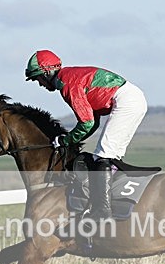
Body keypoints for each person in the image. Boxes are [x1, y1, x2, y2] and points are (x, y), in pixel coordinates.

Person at [25, 49, 147, 220]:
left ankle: (102, 211)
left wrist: (65, 140)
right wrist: (69, 140)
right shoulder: (69, 77)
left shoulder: (68, 84)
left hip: (126, 101)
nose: (40, 84)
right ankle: (112, 199)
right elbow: (93, 122)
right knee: (110, 157)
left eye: (37, 78)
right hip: (131, 99)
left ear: (47, 72)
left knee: (103, 156)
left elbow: (87, 122)